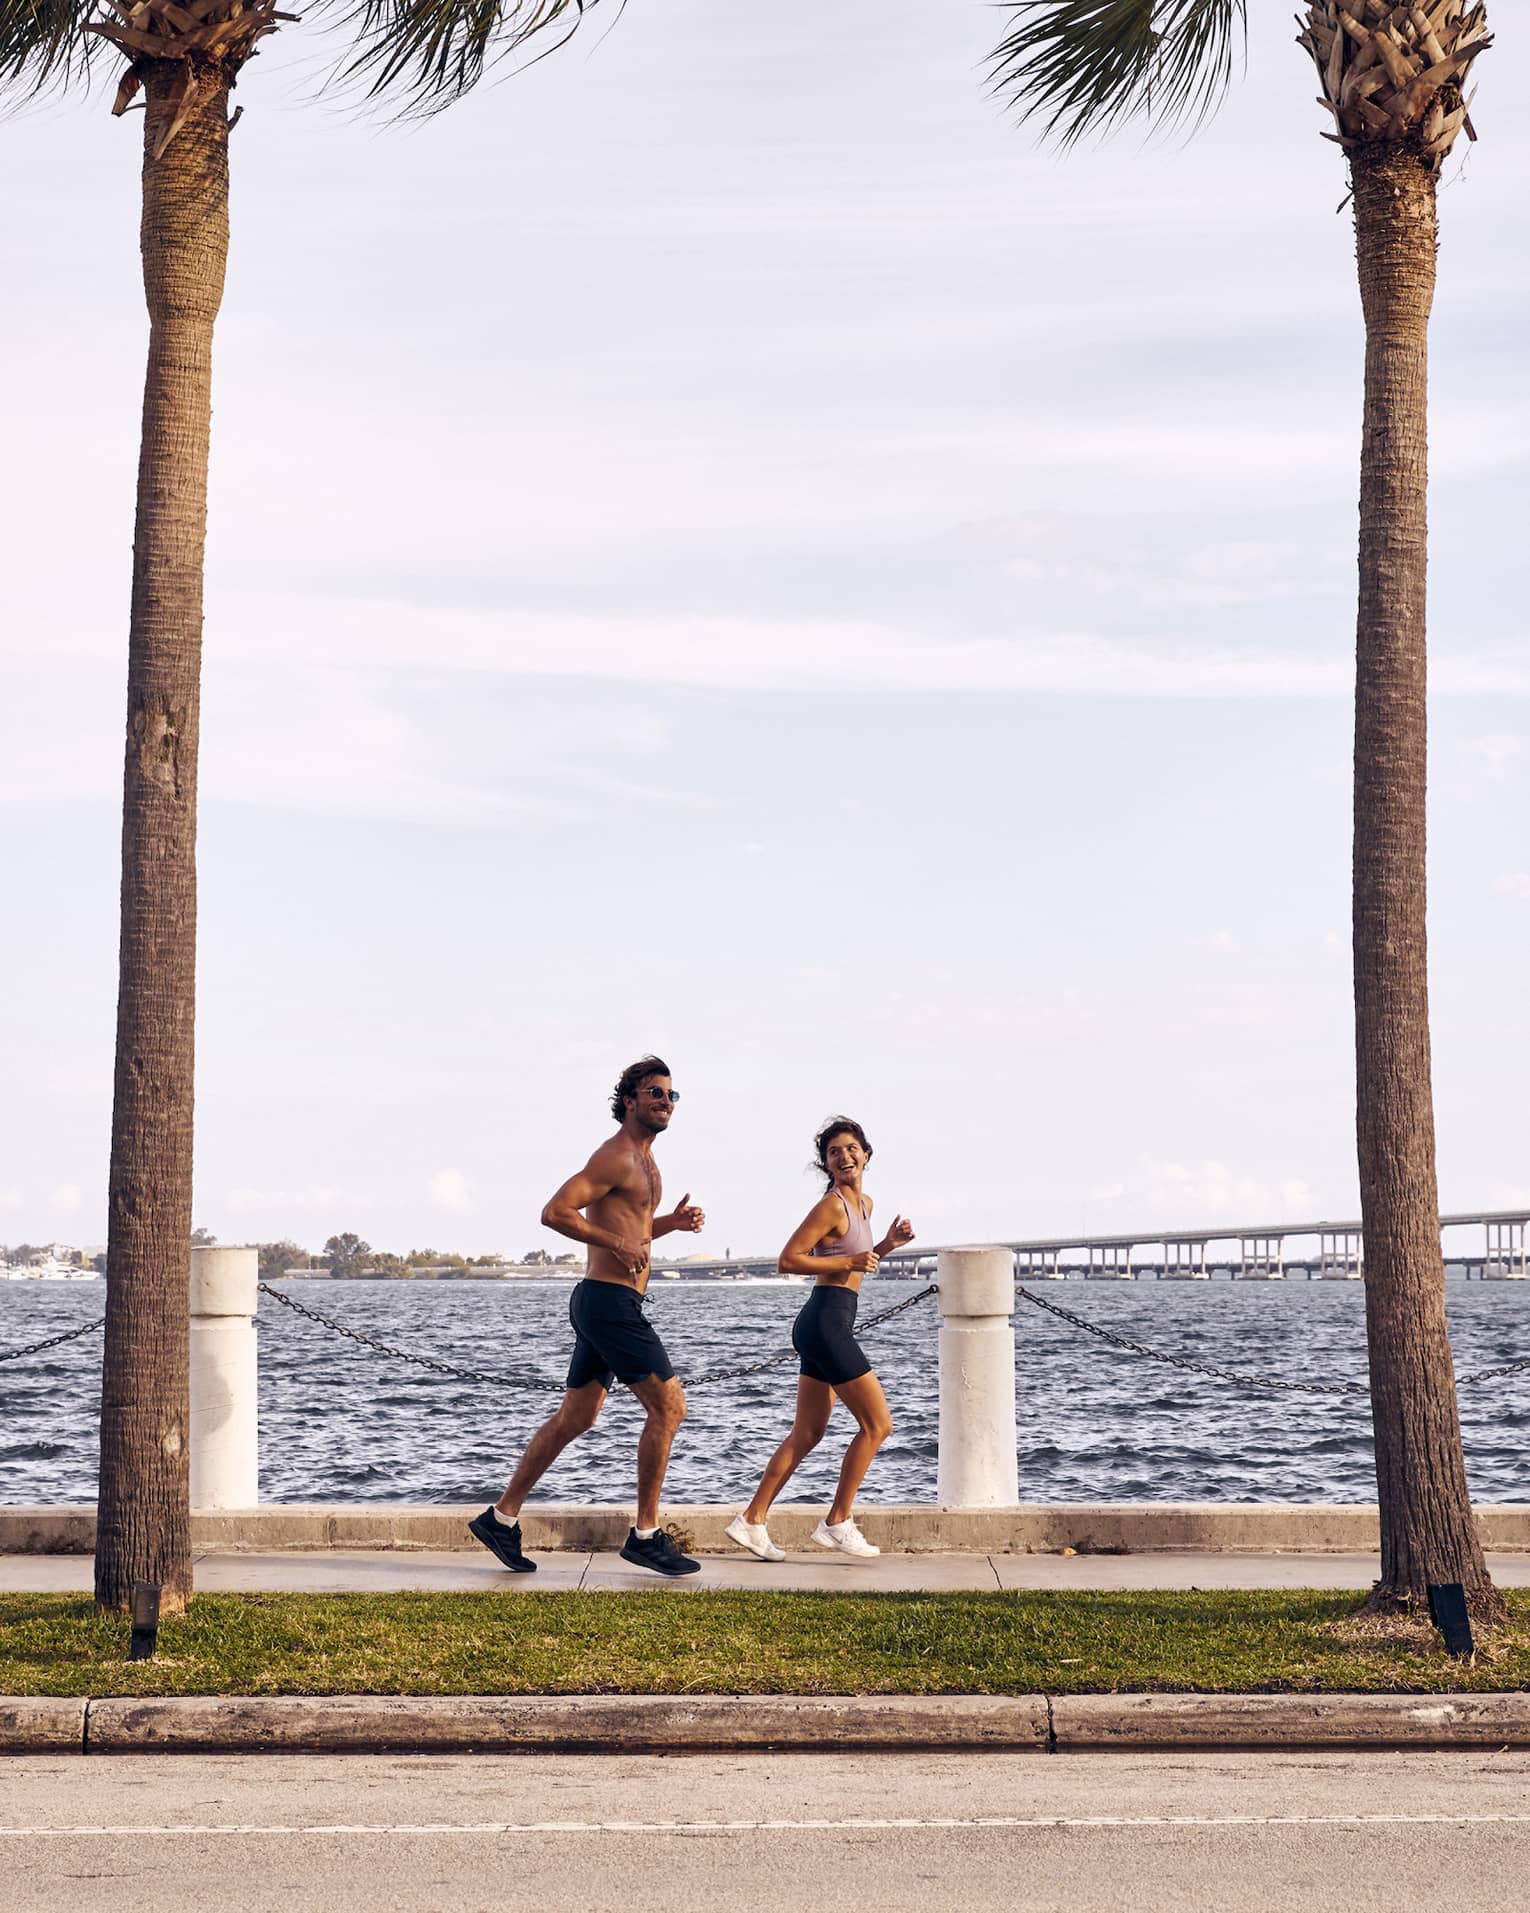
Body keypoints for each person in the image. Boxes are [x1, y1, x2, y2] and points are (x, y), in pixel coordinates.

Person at [469, 1056, 706, 1577]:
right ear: (629, 1100)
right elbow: (555, 1212)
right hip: (608, 1303)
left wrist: (669, 1223)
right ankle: (645, 1536)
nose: (665, 1102)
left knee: (577, 1417)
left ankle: (500, 1519)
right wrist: (617, 1241)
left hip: (608, 1301)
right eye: (654, 1094)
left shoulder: (645, 1160)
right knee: (669, 1408)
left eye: (671, 1095)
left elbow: (630, 1226)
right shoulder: (616, 1155)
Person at [726, 1117, 913, 1562]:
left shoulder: (864, 1204)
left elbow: (854, 1262)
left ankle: (751, 1521)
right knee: (878, 1424)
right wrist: (851, 1257)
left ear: (866, 1154)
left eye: (851, 1149)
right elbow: (788, 1260)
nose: (844, 1156)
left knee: (808, 1431)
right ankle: (837, 1521)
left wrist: (885, 1245)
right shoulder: (832, 1206)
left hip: (830, 1321)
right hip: (825, 1322)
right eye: (834, 1153)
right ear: (826, 1165)